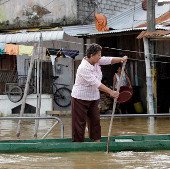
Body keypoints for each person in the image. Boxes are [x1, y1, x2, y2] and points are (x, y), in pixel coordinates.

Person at [71, 43, 128, 142]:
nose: (100, 57)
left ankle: (96, 140)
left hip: (93, 97)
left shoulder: (96, 61)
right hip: (80, 97)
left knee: (95, 120)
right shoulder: (83, 67)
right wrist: (111, 92)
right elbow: (96, 83)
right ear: (91, 55)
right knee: (79, 122)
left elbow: (108, 60)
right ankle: (78, 143)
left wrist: (120, 59)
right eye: (98, 55)